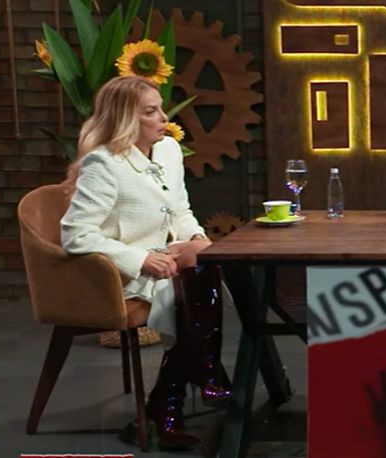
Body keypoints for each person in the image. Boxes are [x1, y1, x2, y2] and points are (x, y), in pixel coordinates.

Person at [60, 76, 232, 448]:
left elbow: (180, 210)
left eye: (161, 108)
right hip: (120, 272)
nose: (164, 118)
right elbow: (75, 234)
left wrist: (197, 237)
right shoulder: (104, 163)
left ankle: (179, 392)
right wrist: (141, 259)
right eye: (151, 112)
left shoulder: (168, 150)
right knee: (199, 278)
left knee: (207, 258)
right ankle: (194, 380)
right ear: (126, 119)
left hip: (166, 256)